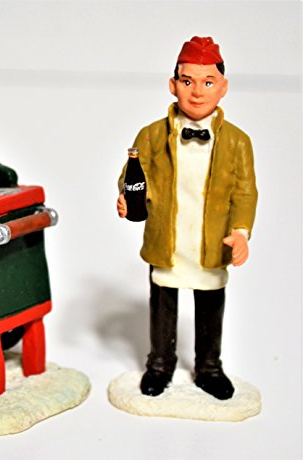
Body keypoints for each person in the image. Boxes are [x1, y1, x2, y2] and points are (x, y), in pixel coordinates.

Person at [117, 36, 257, 400]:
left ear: (223, 88)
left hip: (211, 240)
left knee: (210, 304)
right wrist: (127, 198)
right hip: (168, 238)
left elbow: (245, 193)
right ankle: (160, 364)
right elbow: (132, 176)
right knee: (163, 303)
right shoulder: (151, 136)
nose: (197, 92)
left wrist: (241, 232)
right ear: (173, 85)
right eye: (187, 81)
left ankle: (209, 367)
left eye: (208, 82)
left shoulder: (237, 142)